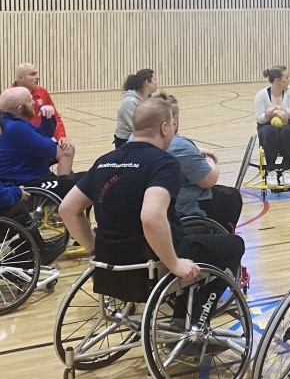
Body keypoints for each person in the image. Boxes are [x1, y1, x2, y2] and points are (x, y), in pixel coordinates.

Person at [60, 98, 245, 313]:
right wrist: (174, 263)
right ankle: (192, 318)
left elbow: (67, 209)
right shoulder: (163, 163)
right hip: (147, 260)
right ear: (165, 128)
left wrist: (94, 248)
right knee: (233, 245)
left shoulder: (105, 160)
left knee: (199, 232)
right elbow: (151, 216)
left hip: (109, 260)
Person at [158, 93, 243, 231]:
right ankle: (220, 234)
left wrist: (197, 149)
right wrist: (210, 159)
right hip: (180, 206)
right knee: (230, 196)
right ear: (174, 120)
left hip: (154, 203)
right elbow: (209, 180)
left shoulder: (133, 140)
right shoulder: (179, 146)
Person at [0, 87, 79, 198]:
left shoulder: (9, 121)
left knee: (66, 149)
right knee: (84, 181)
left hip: (22, 171)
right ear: (20, 108)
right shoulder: (17, 127)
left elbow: (44, 135)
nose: (33, 103)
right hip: (26, 180)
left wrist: (47, 118)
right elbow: (50, 150)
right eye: (30, 100)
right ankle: (61, 196)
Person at [254, 65, 290, 190]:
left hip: (289, 123)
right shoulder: (261, 95)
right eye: (286, 77)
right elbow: (259, 118)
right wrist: (272, 114)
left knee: (289, 132)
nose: (289, 80)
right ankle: (270, 170)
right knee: (270, 132)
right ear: (277, 81)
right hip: (267, 125)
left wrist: (277, 109)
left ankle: (287, 169)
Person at [11, 62, 68, 146]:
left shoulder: (42, 92)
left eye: (37, 74)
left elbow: (55, 116)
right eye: (32, 74)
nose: (37, 77)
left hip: (43, 136)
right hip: (22, 141)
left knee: (68, 150)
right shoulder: (10, 96)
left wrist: (61, 136)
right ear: (20, 78)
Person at [114, 69, 158, 148]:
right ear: (147, 82)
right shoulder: (129, 103)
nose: (157, 82)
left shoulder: (146, 98)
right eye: (155, 79)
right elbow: (138, 128)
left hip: (138, 138)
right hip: (126, 142)